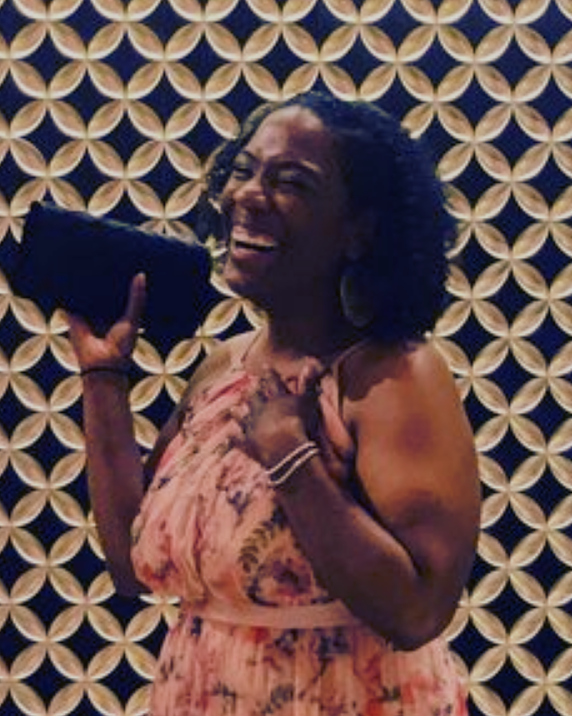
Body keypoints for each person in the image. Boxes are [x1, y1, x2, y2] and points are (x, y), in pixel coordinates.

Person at [65, 91, 481, 715]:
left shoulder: (393, 376)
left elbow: (418, 610)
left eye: (291, 183)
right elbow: (133, 566)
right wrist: (104, 378)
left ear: (360, 231)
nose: (248, 196)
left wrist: (290, 457)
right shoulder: (224, 368)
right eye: (243, 171)